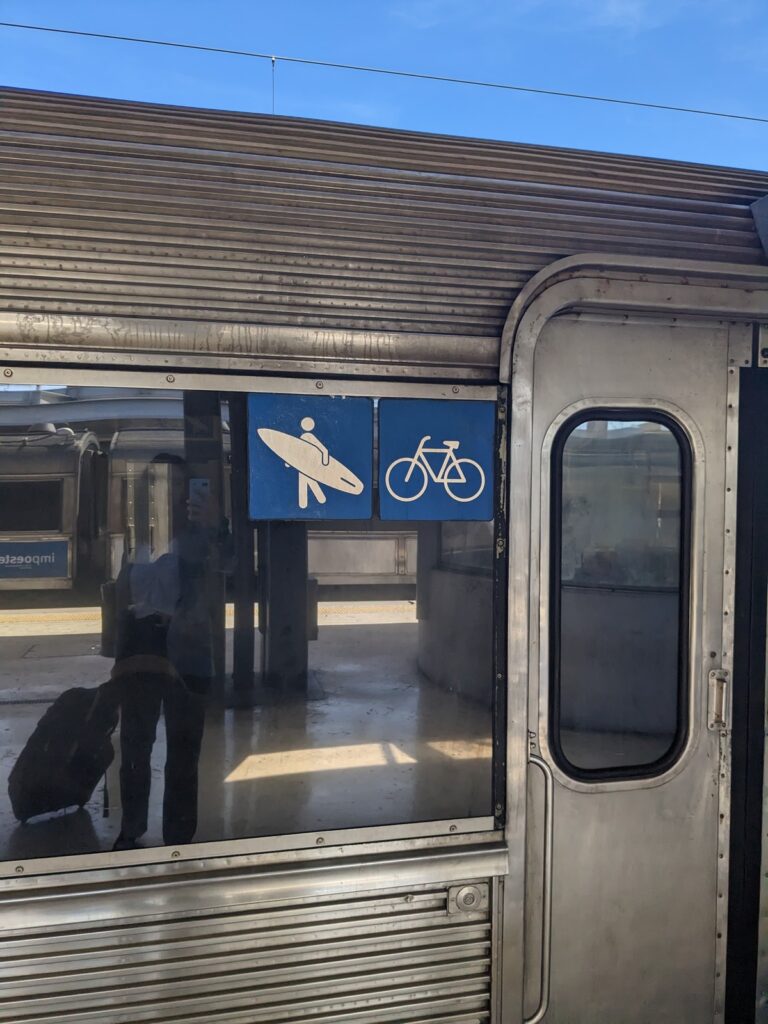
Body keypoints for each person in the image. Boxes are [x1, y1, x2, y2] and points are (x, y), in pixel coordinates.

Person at [112, 456, 224, 850]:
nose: (169, 492)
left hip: (188, 652)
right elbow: (121, 594)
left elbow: (232, 569)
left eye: (177, 484)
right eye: (157, 483)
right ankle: (132, 828)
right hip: (140, 649)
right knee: (135, 746)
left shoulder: (203, 539)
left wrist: (213, 526)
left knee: (182, 751)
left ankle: (178, 835)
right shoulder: (136, 538)